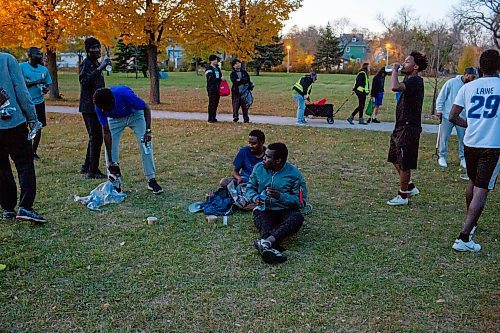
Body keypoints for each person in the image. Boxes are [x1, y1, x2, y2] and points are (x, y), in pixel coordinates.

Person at [449, 49, 499, 252]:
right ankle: (464, 236)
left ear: (480, 67)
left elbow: (452, 116)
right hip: (492, 144)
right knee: (482, 188)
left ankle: (471, 221)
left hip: (471, 143)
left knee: (472, 181)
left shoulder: (468, 87)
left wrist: (468, 125)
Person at [0, 52, 46, 223]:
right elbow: (21, 89)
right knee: (25, 164)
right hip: (13, 123)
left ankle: (7, 208)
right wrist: (32, 116)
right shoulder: (6, 59)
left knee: (1, 167)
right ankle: (25, 206)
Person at [93, 86, 163, 194]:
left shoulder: (124, 95)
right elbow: (106, 132)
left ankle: (151, 180)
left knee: (145, 144)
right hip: (115, 120)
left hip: (134, 115)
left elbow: (146, 108)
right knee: (110, 149)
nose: (103, 111)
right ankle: (114, 182)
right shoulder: (99, 105)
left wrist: (148, 131)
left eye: (106, 108)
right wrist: (111, 161)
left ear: (113, 101)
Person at [246, 142, 307, 264]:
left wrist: (280, 196)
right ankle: (270, 245)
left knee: (297, 218)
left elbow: (301, 201)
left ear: (278, 160)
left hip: (285, 210)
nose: (263, 158)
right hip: (265, 209)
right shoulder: (259, 168)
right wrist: (255, 198)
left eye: (268, 156)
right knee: (265, 224)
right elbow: (249, 188)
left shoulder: (294, 175)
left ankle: (265, 242)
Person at [386, 51, 428, 206]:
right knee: (394, 158)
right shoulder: (409, 79)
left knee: (404, 162)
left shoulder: (416, 81)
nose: (404, 63)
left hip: (409, 127)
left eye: (408, 62)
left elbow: (395, 87)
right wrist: (398, 70)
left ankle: (403, 196)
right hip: (400, 125)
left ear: (416, 66)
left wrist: (395, 70)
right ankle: (409, 186)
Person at [79, 37, 111, 179]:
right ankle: (93, 171)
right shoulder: (86, 63)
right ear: (87, 50)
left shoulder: (93, 63)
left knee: (94, 137)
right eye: (93, 48)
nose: (97, 50)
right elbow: (84, 81)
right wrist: (100, 68)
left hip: (95, 106)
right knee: (96, 138)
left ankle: (87, 166)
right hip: (89, 107)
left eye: (98, 47)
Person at [435, 67, 478, 169]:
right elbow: (442, 96)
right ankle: (442, 156)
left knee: (463, 138)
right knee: (444, 137)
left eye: (474, 77)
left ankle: (463, 158)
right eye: (472, 76)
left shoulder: (471, 86)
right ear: (466, 74)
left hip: (462, 117)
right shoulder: (452, 82)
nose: (473, 79)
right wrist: (439, 110)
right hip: (447, 115)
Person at [19, 47, 52, 160]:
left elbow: (47, 84)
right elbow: (20, 84)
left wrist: (46, 89)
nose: (40, 56)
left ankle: (33, 152)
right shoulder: (21, 67)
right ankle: (24, 151)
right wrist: (36, 82)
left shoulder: (44, 70)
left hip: (39, 102)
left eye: (41, 54)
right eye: (38, 54)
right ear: (30, 56)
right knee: (23, 127)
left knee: (38, 127)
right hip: (24, 102)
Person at [230, 59, 253, 123]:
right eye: (236, 64)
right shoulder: (233, 74)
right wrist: (242, 80)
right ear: (233, 66)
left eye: (239, 63)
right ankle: (235, 117)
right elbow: (235, 82)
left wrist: (239, 80)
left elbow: (247, 79)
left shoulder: (244, 72)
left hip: (244, 92)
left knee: (245, 106)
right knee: (235, 105)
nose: (238, 65)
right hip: (236, 92)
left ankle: (246, 118)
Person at [205, 55, 224, 123]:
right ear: (211, 60)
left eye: (216, 60)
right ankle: (210, 118)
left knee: (216, 103)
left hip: (218, 88)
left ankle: (214, 117)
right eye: (215, 60)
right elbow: (210, 79)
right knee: (212, 103)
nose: (216, 61)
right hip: (212, 88)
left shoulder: (217, 68)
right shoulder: (209, 69)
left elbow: (220, 75)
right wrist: (219, 79)